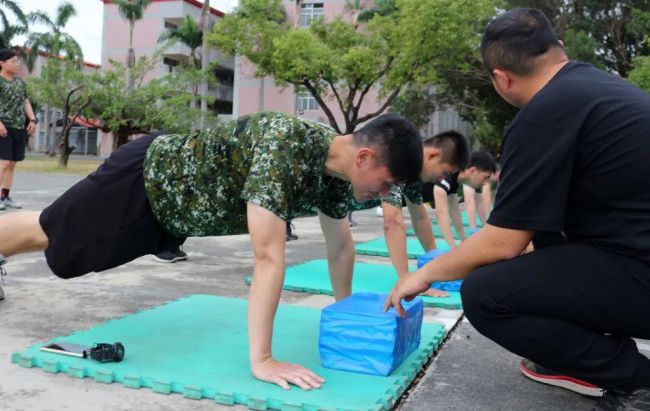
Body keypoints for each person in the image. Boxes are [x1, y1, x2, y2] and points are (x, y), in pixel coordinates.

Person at [0, 111, 423, 389]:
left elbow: (340, 244)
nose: (382, 195)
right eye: (385, 184)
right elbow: (268, 257)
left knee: (59, 236)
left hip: (167, 210)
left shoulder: (335, 175)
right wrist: (263, 360)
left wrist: (343, 317)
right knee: (48, 231)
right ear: (364, 156)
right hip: (146, 183)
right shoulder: (285, 148)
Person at [386, 8, 650, 410]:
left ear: (501, 78)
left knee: (486, 294)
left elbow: (503, 243)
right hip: (631, 259)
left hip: (640, 271)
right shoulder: (603, 90)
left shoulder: (545, 113)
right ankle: (574, 354)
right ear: (557, 49)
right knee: (538, 253)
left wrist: (421, 275)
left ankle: (638, 380)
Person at [380, 131, 470, 298]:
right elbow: (392, 222)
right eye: (444, 172)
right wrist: (407, 282)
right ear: (433, 155)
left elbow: (420, 218)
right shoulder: (401, 159)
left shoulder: (413, 171)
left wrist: (436, 267)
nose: (440, 178)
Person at [422, 151, 497, 249]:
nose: (485, 183)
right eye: (485, 177)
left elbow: (454, 211)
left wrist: (464, 241)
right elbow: (441, 213)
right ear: (473, 171)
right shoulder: (446, 174)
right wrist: (454, 249)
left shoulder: (454, 177)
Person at [0, 48, 37, 211]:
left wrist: (33, 119)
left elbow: (25, 102)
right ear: (2, 63)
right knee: (3, 163)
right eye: (13, 61)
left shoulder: (20, 82)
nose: (17, 64)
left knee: (12, 164)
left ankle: (5, 196)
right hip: (3, 126)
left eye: (18, 61)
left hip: (18, 127)